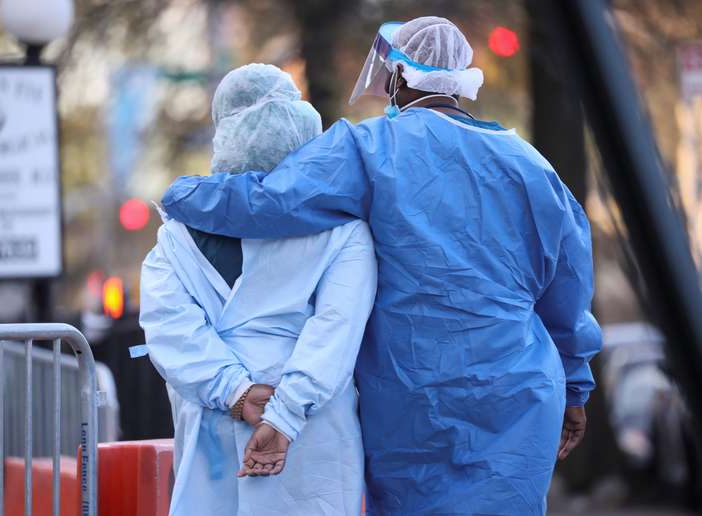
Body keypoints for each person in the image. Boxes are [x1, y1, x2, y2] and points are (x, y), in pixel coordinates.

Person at [161, 17, 603, 516]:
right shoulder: (531, 166)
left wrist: (182, 195)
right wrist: (573, 387)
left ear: (396, 77)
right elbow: (567, 293)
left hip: (411, 396)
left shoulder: (367, 150)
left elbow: (268, 202)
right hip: (517, 395)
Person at [139, 63, 377, 516]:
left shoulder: (178, 235)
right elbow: (336, 331)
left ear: (224, 131)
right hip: (311, 428)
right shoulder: (346, 230)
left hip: (214, 424)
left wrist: (236, 393)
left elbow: (169, 328)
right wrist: (285, 414)